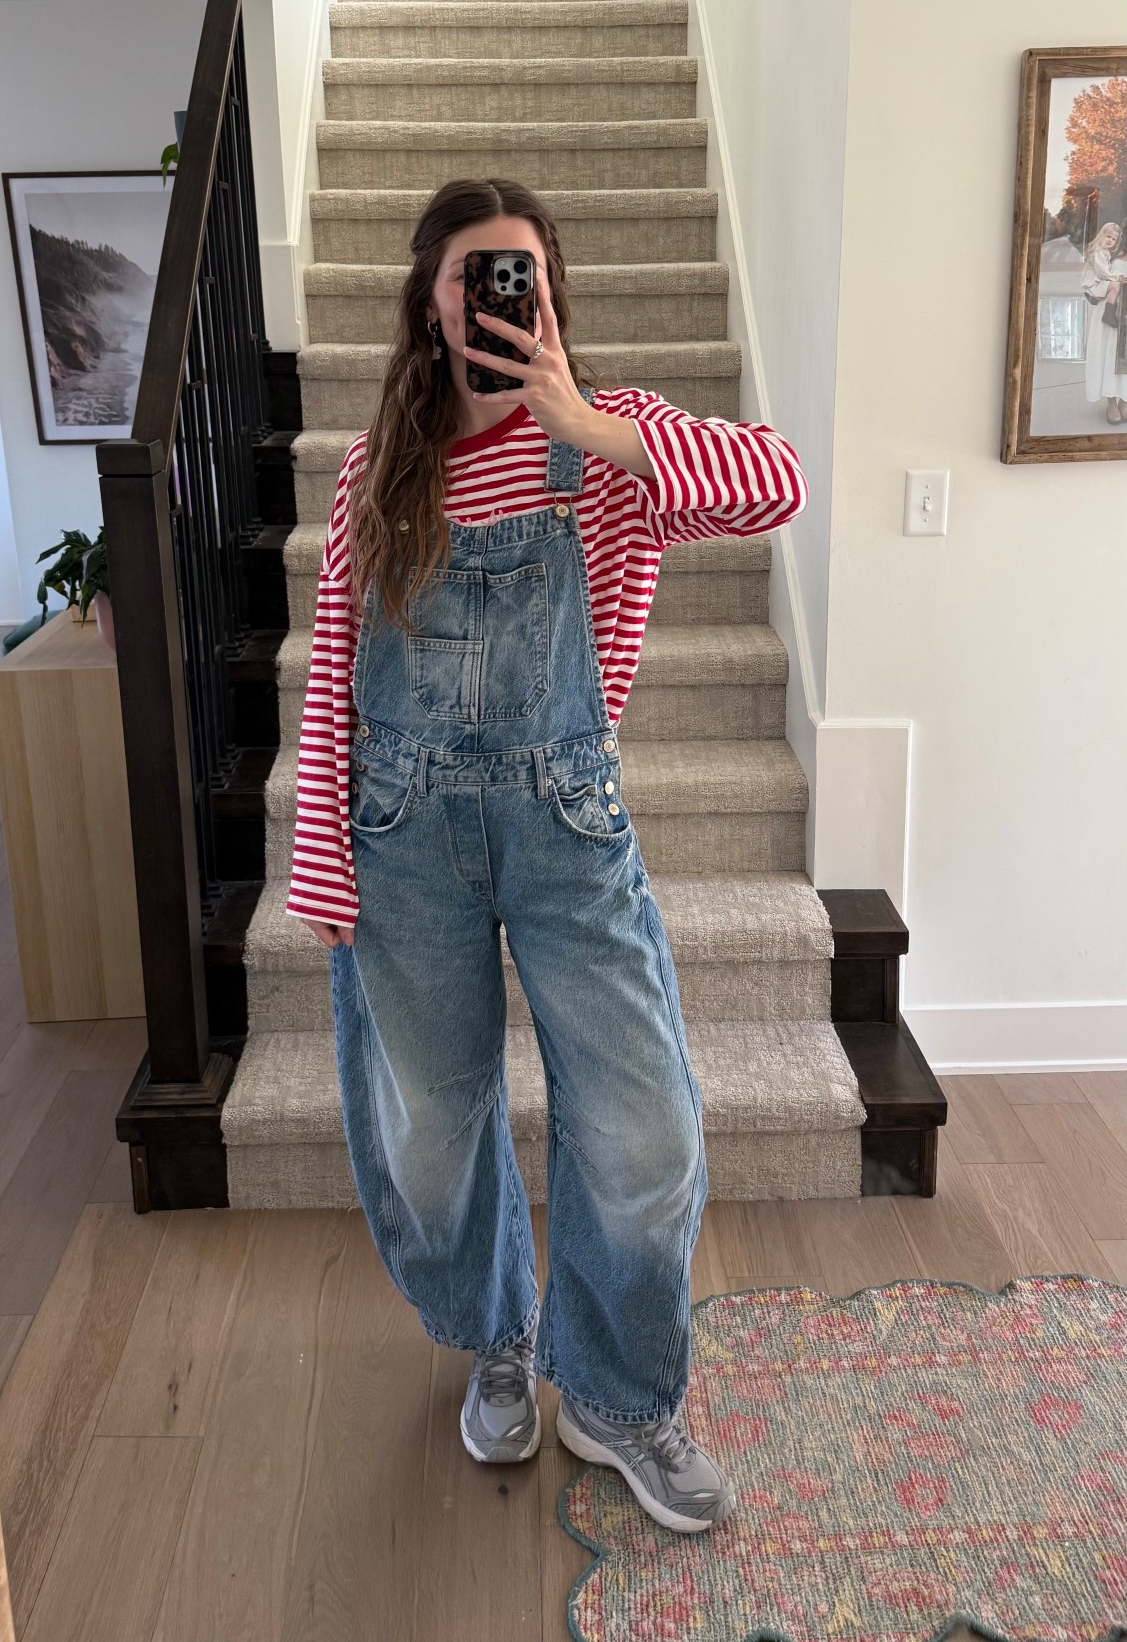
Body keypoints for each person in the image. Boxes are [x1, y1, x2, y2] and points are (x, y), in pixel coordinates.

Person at [286, 177, 810, 1534]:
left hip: (570, 828)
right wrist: (321, 865)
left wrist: (591, 427)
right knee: (429, 1131)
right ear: (430, 300)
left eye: (523, 273)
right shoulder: (372, 469)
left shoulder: (613, 441)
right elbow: (336, 665)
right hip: (401, 842)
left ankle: (619, 1396)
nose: (500, 296)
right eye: (475, 274)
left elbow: (778, 485)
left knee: (643, 1126)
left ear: (553, 297)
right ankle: (504, 1343)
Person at [1081, 220, 1127, 423]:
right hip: (1110, 312)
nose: (1111, 240)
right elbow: (1092, 287)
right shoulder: (1108, 254)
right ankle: (1110, 401)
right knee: (1109, 354)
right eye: (1109, 237)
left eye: (1113, 238)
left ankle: (1125, 399)